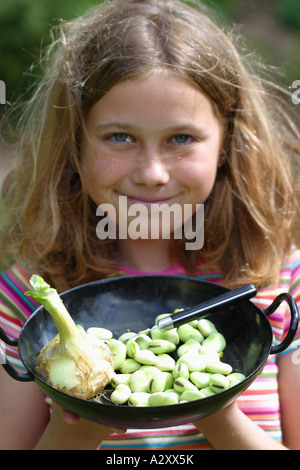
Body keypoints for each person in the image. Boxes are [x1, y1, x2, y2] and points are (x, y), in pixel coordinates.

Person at [0, 0, 300, 450]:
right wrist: (77, 424)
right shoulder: (28, 294)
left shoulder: (279, 278)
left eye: (181, 138)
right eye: (120, 137)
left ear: (226, 145)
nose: (152, 173)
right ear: (74, 144)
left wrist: (215, 413)